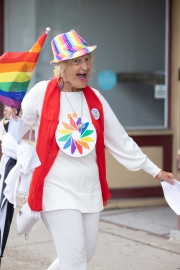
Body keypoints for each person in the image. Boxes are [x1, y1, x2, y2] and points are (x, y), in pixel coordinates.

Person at [3, 29, 175, 270]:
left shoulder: (95, 99)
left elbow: (120, 140)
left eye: (86, 59)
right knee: (75, 262)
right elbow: (13, 132)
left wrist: (155, 171)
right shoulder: (41, 93)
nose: (84, 66)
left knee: (81, 257)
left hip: (90, 191)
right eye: (76, 61)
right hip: (55, 190)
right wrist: (11, 118)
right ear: (61, 66)